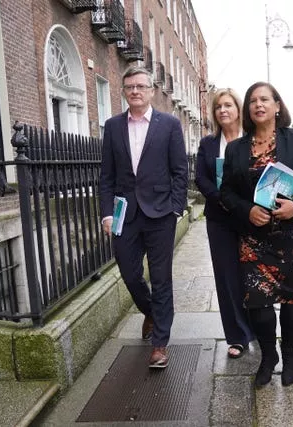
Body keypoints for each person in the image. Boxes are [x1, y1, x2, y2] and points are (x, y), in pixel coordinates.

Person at [220, 82, 293, 387]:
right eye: (253, 100)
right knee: (259, 305)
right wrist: (245, 210)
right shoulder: (236, 148)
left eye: (265, 99)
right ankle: (269, 356)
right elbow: (226, 191)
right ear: (248, 110)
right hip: (254, 237)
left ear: (278, 105)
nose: (258, 104)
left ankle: (290, 354)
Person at [99, 66, 188, 369]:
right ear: (123, 92)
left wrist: (177, 207)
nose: (135, 91)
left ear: (151, 90)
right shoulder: (112, 127)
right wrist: (107, 214)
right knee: (130, 273)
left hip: (161, 213)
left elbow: (179, 171)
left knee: (161, 278)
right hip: (126, 215)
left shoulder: (169, 125)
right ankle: (151, 311)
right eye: (129, 87)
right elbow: (106, 177)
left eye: (140, 86)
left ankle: (160, 343)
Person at [195, 88, 254, 359]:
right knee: (227, 278)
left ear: (238, 109)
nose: (223, 110)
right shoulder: (208, 144)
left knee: (253, 274)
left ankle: (259, 329)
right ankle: (237, 336)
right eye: (218, 106)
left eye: (228, 105)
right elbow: (200, 178)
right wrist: (221, 198)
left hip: (251, 217)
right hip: (219, 218)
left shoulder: (252, 140)